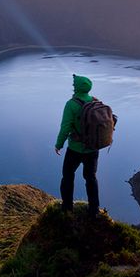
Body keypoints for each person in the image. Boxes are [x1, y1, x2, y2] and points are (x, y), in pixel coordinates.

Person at [54, 73, 101, 216]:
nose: (73, 86)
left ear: (77, 87)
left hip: (75, 149)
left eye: (74, 85)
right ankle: (94, 210)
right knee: (91, 178)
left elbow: (65, 127)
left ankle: (67, 208)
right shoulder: (96, 102)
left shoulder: (71, 104)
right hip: (92, 149)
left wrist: (58, 144)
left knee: (67, 176)